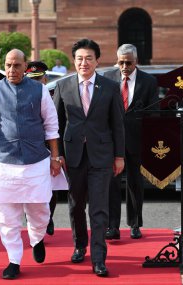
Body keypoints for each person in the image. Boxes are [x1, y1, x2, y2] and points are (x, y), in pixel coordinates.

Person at [0, 49, 61, 280]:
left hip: (36, 161)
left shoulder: (39, 90)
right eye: (8, 66)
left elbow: (51, 125)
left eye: (16, 66)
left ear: (25, 66)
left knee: (40, 211)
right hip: (3, 162)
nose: (11, 70)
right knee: (6, 217)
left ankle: (37, 238)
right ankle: (14, 260)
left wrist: (55, 156)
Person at [53, 38, 125, 277]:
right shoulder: (62, 87)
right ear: (74, 61)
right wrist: (57, 155)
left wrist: (119, 156)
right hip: (72, 157)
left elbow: (117, 125)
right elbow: (56, 124)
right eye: (80, 58)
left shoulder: (110, 87)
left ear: (97, 61)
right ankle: (79, 245)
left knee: (99, 208)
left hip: (102, 156)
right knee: (75, 207)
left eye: (89, 58)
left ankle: (98, 258)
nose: (84, 63)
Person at [103, 44, 158, 240]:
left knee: (135, 184)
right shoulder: (107, 78)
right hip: (111, 141)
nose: (124, 66)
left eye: (129, 62)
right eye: (121, 62)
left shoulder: (149, 81)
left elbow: (154, 113)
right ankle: (112, 226)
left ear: (136, 61)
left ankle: (135, 224)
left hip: (137, 140)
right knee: (111, 184)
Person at [25, 60, 68, 236]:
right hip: (28, 149)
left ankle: (48, 218)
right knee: (29, 190)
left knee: (51, 188)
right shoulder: (21, 96)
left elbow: (60, 126)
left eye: (38, 79)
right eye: (32, 79)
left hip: (49, 148)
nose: (35, 82)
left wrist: (59, 154)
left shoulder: (53, 96)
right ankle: (32, 223)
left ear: (45, 79)